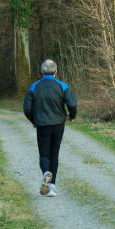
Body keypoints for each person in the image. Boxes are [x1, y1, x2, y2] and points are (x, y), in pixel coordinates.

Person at [23, 59, 77, 196]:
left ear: (41, 72)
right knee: (54, 154)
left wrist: (34, 120)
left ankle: (46, 172)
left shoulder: (34, 86)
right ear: (56, 72)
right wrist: (72, 115)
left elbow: (27, 108)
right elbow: (72, 103)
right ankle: (51, 187)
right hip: (58, 124)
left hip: (42, 125)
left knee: (44, 154)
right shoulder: (62, 86)